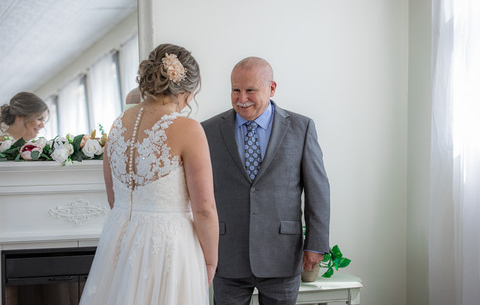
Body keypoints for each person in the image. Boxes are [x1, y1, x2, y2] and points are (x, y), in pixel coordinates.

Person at [80, 43, 219, 305]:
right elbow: (204, 209)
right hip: (168, 246)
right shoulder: (188, 129)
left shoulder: (118, 123)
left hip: (121, 238)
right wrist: (210, 260)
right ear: (187, 90)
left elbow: (113, 197)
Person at [202, 57, 330, 304]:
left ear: (272, 88)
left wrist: (316, 244)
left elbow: (318, 190)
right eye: (235, 90)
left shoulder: (301, 128)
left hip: (281, 255)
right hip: (227, 255)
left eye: (250, 90)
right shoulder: (208, 131)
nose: (242, 98)